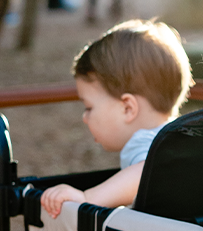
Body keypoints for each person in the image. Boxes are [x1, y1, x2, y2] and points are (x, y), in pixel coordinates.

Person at [41, 20, 193, 218]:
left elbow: (147, 174)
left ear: (128, 108)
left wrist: (87, 198)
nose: (84, 117)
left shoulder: (146, 143)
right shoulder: (184, 137)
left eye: (89, 107)